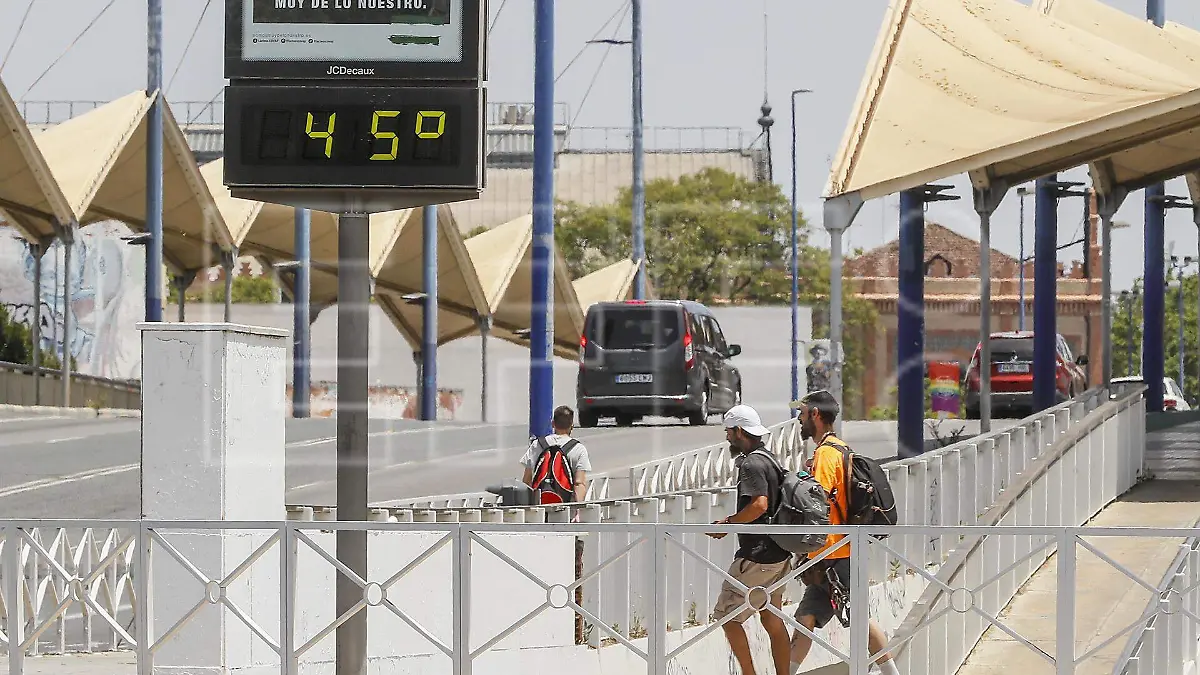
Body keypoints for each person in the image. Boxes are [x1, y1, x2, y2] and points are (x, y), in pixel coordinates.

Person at [789, 390, 900, 675]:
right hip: (829, 552)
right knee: (806, 617)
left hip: (835, 553)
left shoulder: (827, 453)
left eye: (802, 413)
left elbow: (818, 501)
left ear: (815, 414)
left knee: (861, 619)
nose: (799, 419)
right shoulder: (839, 448)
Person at [707, 404, 792, 675]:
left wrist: (728, 523)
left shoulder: (751, 464)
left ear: (740, 431)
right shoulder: (770, 459)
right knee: (772, 618)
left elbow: (759, 505)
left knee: (727, 616)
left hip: (758, 556)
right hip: (779, 554)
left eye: (729, 432)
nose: (727, 437)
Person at [521, 405, 592, 503]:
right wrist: (577, 507)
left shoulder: (537, 444)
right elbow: (579, 483)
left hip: (539, 504)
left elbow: (527, 480)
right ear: (572, 426)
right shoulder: (579, 449)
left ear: (553, 424)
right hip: (565, 505)